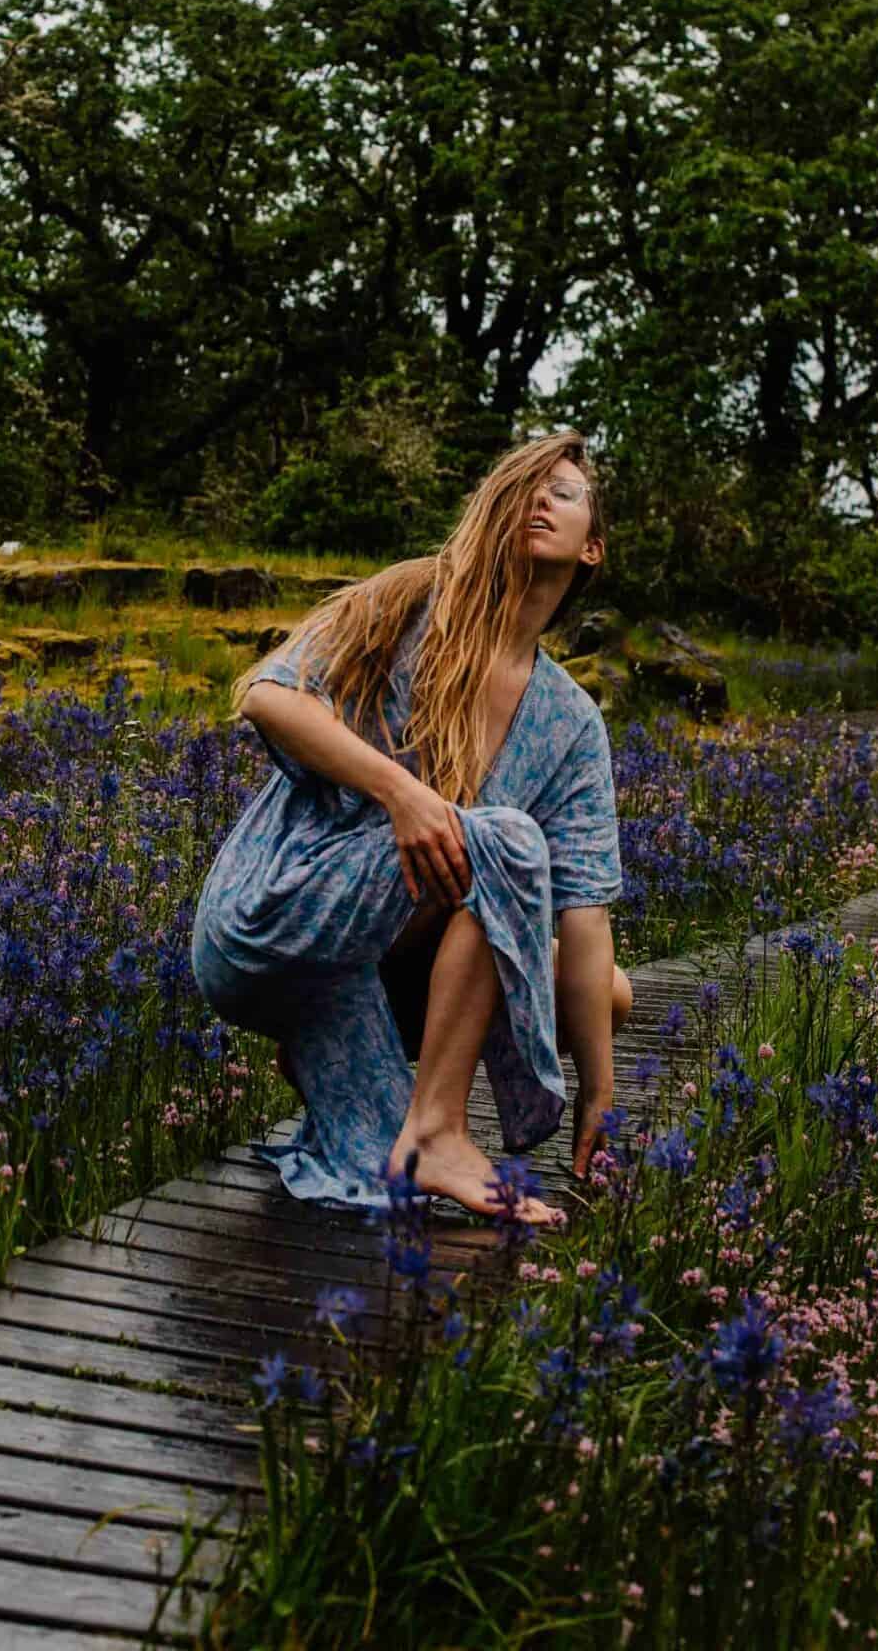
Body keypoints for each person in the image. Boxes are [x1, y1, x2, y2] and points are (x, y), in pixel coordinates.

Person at [190, 429, 631, 1223]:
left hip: (371, 965)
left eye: (562, 493)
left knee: (606, 994)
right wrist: (402, 793)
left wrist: (601, 1095)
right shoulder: (413, 598)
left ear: (591, 548)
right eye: (524, 485)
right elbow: (266, 694)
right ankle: (436, 1130)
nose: (540, 498)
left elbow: (586, 912)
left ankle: (337, 1061)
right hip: (270, 915)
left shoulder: (567, 719)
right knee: (503, 839)